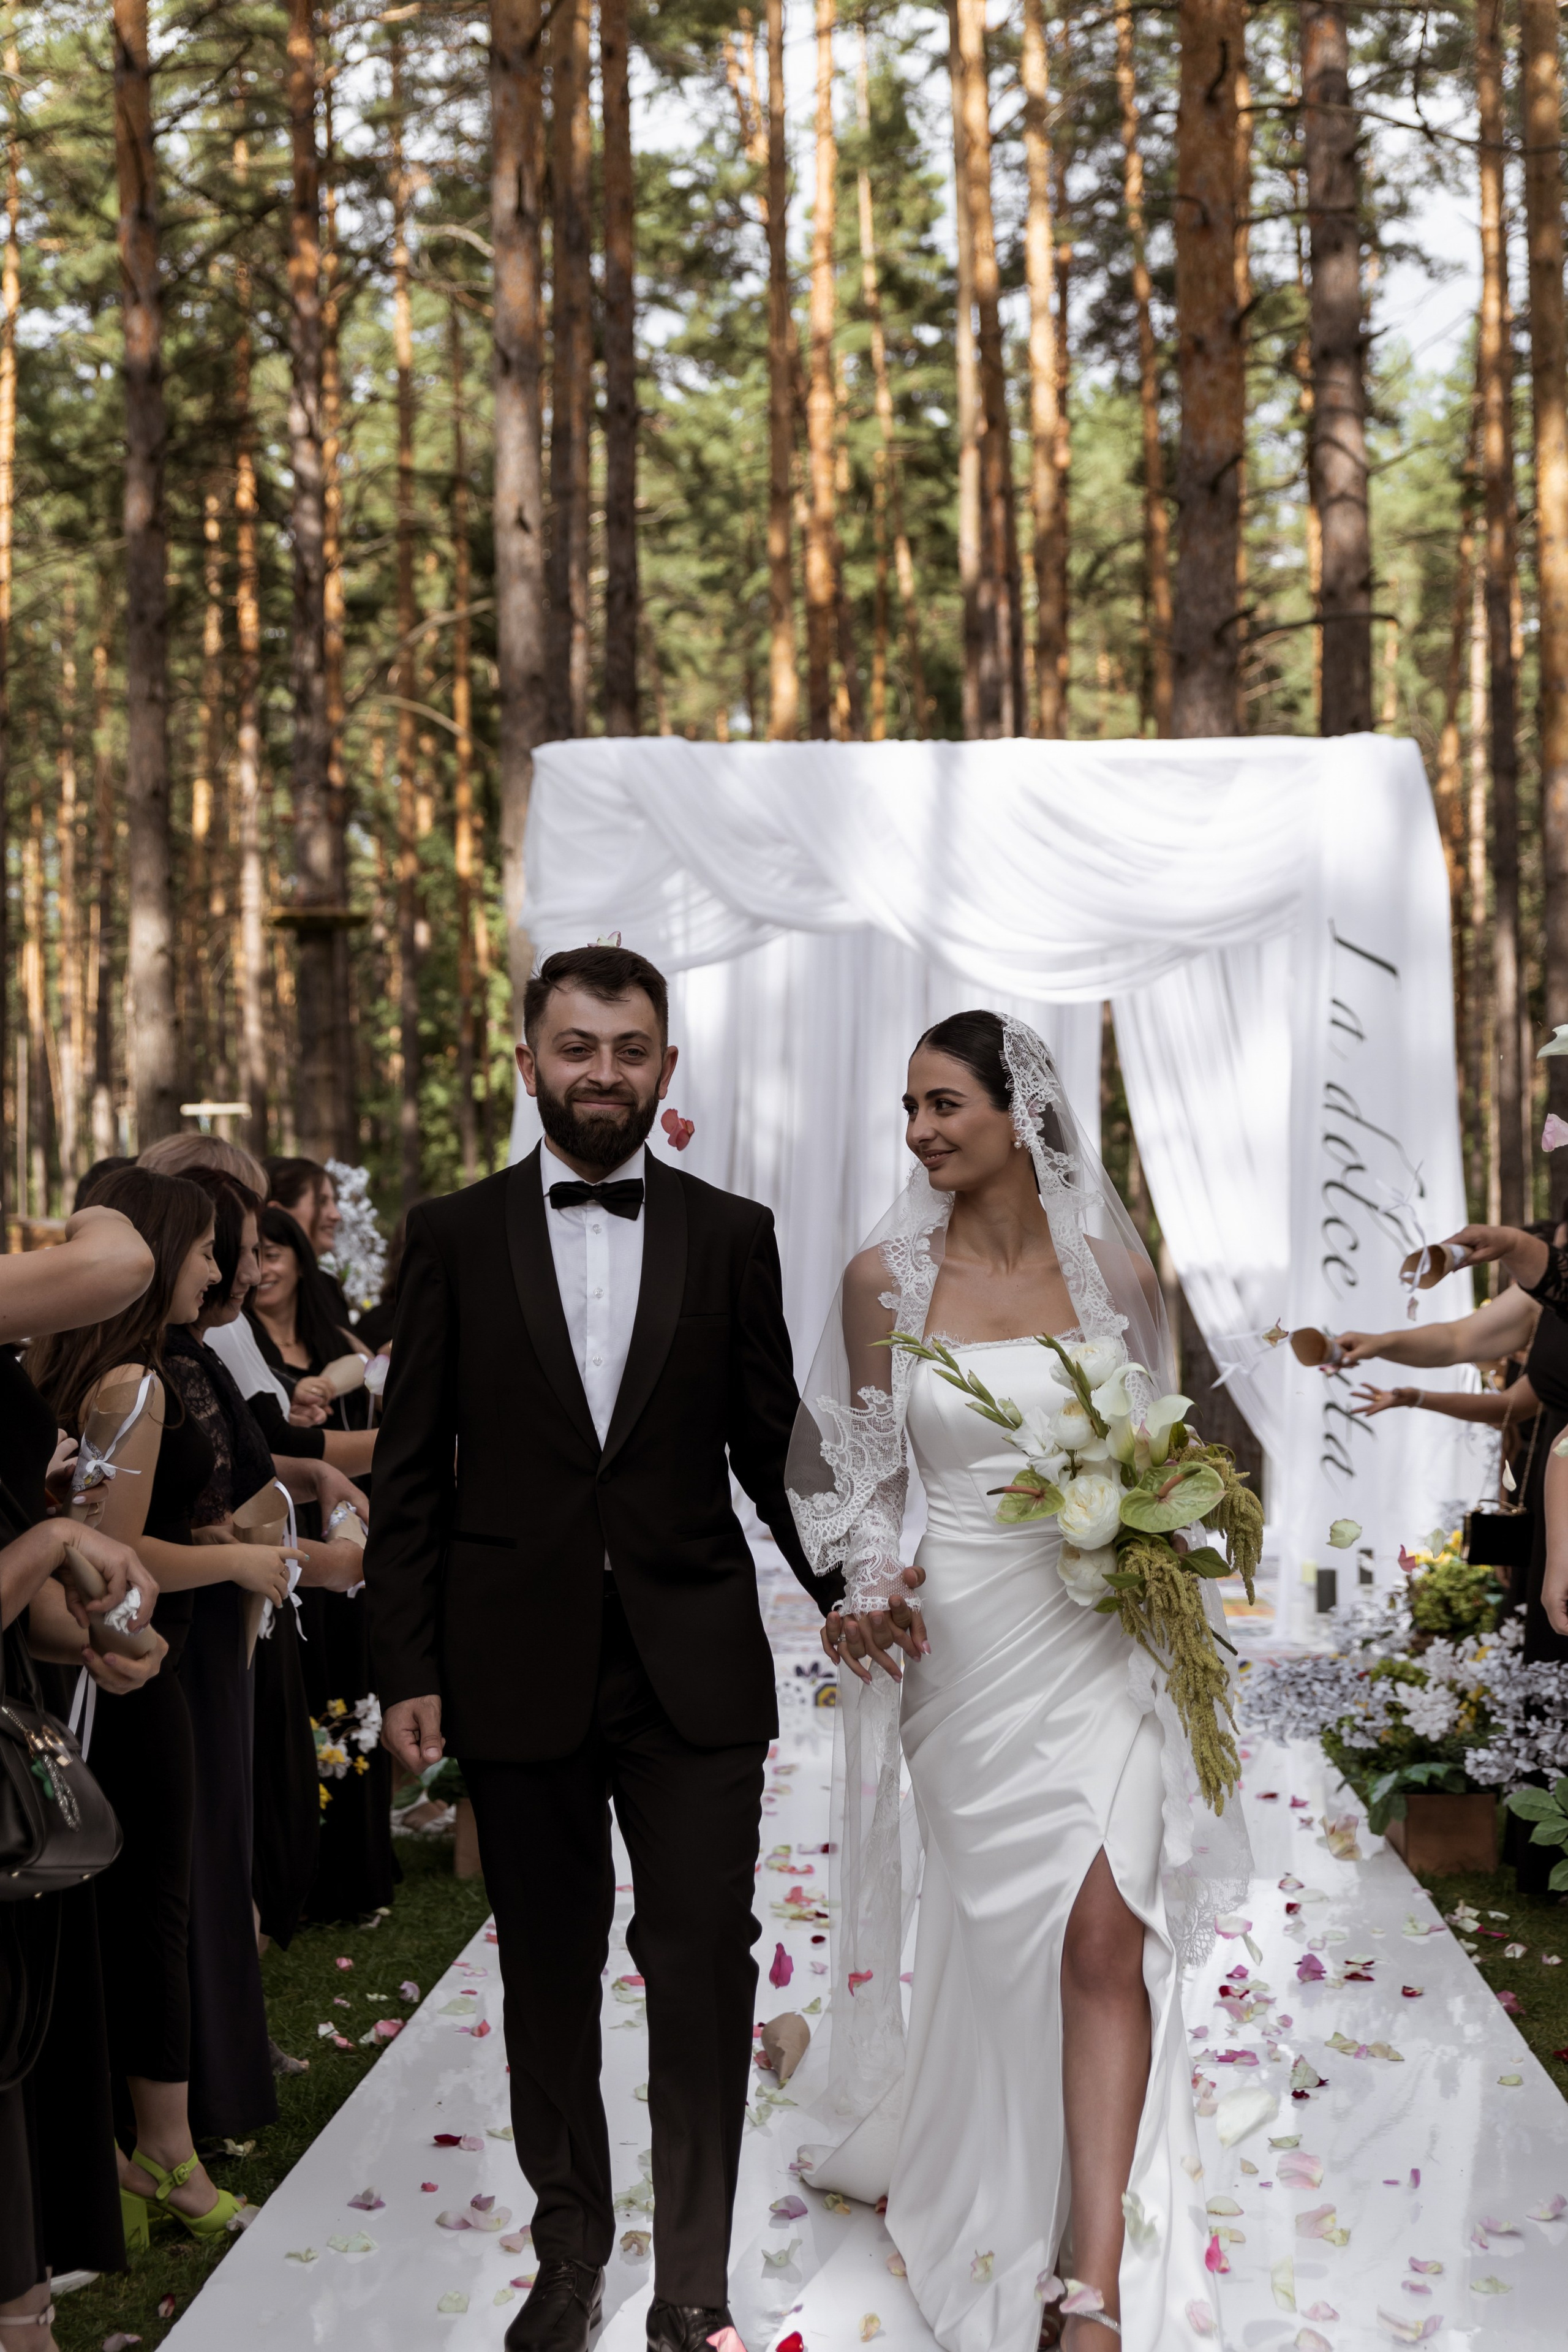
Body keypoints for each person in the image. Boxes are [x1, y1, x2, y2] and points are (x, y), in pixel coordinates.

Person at [367, 943, 836, 2352]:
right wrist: (407, 1667)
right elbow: (409, 1474)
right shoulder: (449, 1232)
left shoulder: (731, 1233)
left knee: (702, 1960)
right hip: (512, 1663)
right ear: (528, 1062)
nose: (602, 1074)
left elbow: (776, 1448)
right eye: (576, 1047)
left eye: (628, 1049)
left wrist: (850, 1581)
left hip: (692, 1667)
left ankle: (691, 2285)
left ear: (665, 1067)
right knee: (548, 1969)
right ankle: (566, 2258)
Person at [786, 1012, 1247, 2352]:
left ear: (1014, 1112)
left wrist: (1159, 1543)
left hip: (1108, 1639)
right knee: (1006, 1951)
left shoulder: (1111, 1272)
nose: (923, 1131)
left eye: (945, 1105)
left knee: (1106, 1934)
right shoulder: (881, 1280)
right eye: (912, 1111)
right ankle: (982, 2176)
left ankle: (1088, 2278)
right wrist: (867, 1587)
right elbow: (860, 1480)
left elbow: (1163, 1444)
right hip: (967, 1654)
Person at [27, 1167, 296, 2232]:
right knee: (155, 1910)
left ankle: (150, 2152)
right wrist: (230, 1567)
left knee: (148, 1907)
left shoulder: (121, 1375)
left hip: (129, 1657)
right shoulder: (135, 1386)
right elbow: (125, 1552)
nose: (219, 1271)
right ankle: (170, 2158)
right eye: (202, 1251)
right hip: (137, 1668)